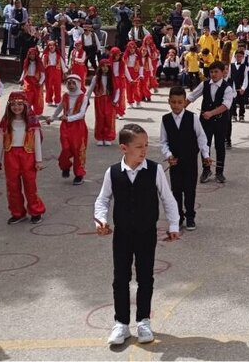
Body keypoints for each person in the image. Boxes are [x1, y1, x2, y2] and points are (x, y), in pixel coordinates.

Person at [93, 124, 181, 346]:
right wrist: (100, 219)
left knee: (145, 277)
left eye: (146, 146)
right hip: (122, 234)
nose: (144, 151)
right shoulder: (113, 172)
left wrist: (174, 225)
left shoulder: (154, 170)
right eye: (139, 147)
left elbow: (168, 198)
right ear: (124, 148)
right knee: (120, 278)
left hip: (146, 233)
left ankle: (143, 321)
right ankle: (121, 323)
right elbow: (103, 199)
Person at [160, 86, 211, 231]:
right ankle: (178, 217)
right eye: (173, 102)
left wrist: (206, 155)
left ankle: (190, 217)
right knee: (176, 190)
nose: (176, 105)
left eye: (180, 102)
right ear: (169, 101)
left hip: (190, 160)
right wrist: (168, 155)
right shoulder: (166, 120)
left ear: (184, 102)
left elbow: (201, 137)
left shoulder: (192, 118)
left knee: (190, 190)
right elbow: (163, 142)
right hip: (175, 162)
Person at [0, 92, 45, 224]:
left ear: (26, 105)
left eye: (20, 104)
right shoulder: (5, 122)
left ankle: (35, 211)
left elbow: (37, 142)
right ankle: (18, 213)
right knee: (12, 186)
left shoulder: (32, 122)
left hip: (28, 155)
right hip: (10, 156)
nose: (17, 107)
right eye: (13, 104)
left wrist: (39, 160)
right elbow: (0, 142)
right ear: (9, 106)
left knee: (30, 185)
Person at [186, 61, 234, 184]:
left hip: (221, 121)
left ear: (223, 72)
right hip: (205, 121)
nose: (213, 74)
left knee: (220, 145)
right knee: (204, 145)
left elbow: (226, 105)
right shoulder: (205, 84)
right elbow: (191, 97)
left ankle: (219, 172)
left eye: (216, 72)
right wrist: (180, 108)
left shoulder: (227, 88)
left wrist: (211, 113)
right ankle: (206, 170)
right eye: (211, 72)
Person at [47, 74, 89, 185]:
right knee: (65, 148)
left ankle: (79, 174)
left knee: (78, 150)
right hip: (65, 127)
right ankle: (65, 166)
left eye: (73, 83)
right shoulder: (65, 96)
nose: (70, 85)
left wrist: (69, 118)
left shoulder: (83, 97)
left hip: (78, 127)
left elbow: (82, 114)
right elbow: (59, 108)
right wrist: (52, 117)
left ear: (78, 84)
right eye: (69, 83)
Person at [89, 59, 119, 148]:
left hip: (109, 100)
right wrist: (85, 99)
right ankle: (100, 137)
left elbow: (118, 90)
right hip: (99, 100)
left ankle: (108, 137)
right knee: (100, 118)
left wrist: (115, 100)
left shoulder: (112, 78)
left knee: (109, 119)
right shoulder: (96, 78)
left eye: (107, 66)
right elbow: (90, 89)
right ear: (100, 67)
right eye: (103, 66)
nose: (105, 68)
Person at [20, 47, 46, 115]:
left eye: (33, 54)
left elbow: (43, 75)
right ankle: (27, 111)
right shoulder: (26, 62)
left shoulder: (39, 63)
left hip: (36, 82)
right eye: (30, 54)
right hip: (28, 81)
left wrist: (40, 83)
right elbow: (24, 71)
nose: (32, 56)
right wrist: (21, 79)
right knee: (27, 97)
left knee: (37, 97)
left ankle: (37, 112)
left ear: (36, 55)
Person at [229, 48, 249, 124]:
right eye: (237, 56)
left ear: (243, 57)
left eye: (240, 56)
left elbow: (246, 78)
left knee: (242, 102)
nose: (238, 58)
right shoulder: (231, 66)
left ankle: (241, 115)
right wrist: (230, 87)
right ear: (235, 56)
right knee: (233, 102)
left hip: (240, 88)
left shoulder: (245, 67)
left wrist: (243, 88)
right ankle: (234, 115)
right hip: (233, 87)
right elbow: (229, 77)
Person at [42, 40, 65, 107]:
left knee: (57, 87)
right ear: (48, 46)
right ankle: (49, 100)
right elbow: (42, 65)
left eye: (53, 45)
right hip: (48, 72)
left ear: (55, 46)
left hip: (57, 72)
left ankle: (57, 101)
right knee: (48, 87)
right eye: (50, 45)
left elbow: (63, 65)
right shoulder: (45, 55)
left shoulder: (58, 56)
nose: (51, 47)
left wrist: (65, 72)